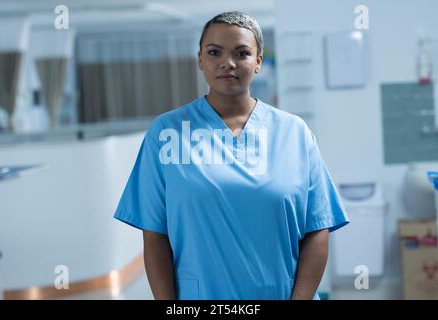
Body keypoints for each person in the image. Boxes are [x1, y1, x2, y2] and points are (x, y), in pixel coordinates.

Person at [113, 11, 349, 300]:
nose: (228, 63)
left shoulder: (294, 133)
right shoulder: (166, 133)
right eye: (214, 52)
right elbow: (155, 236)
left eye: (242, 53)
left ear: (258, 62)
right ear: (200, 59)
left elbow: (317, 229)